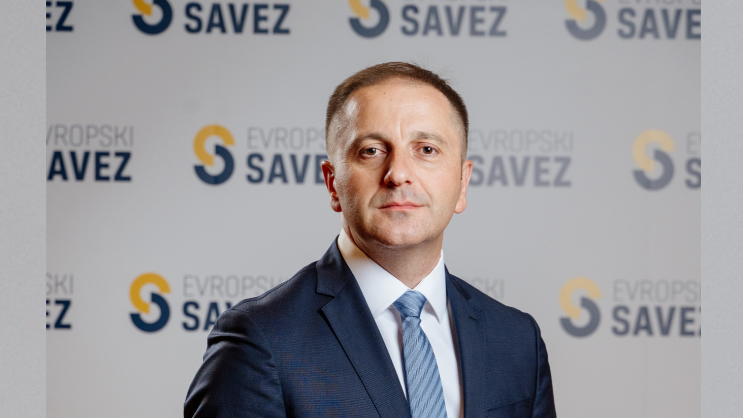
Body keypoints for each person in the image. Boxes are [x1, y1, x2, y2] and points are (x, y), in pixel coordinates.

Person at [184, 62, 556, 418]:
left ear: (462, 183)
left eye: (427, 150)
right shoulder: (261, 339)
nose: (398, 174)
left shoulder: (517, 339)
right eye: (371, 151)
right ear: (333, 183)